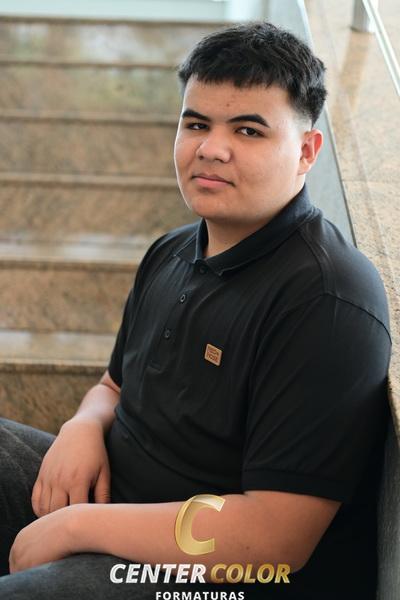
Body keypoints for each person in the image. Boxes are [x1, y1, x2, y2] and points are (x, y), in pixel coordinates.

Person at [0, 21, 391, 600]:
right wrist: (82, 426)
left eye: (249, 130)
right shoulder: (173, 249)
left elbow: (275, 538)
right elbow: (113, 386)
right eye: (196, 124)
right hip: (119, 499)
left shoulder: (327, 299)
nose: (211, 148)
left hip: (224, 573)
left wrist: (78, 526)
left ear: (307, 151)